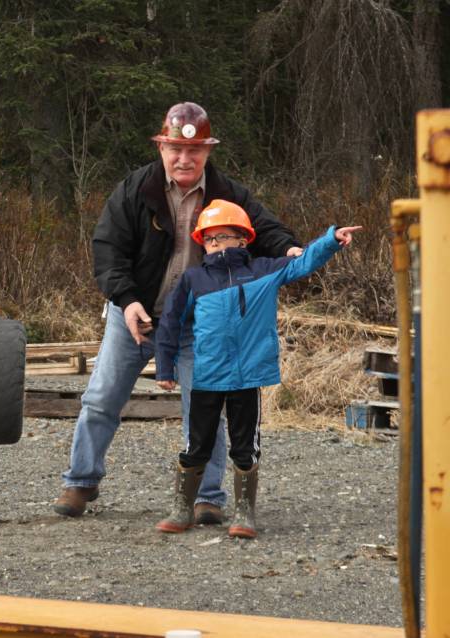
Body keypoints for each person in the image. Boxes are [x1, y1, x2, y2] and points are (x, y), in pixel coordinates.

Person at [53, 102, 304, 522]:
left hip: (198, 325)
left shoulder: (229, 194)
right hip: (134, 314)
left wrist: (290, 249)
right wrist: (127, 300)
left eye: (194, 151)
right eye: (175, 150)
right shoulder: (135, 190)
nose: (184, 159)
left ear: (207, 151)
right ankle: (79, 482)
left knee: (205, 407)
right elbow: (108, 251)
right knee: (100, 400)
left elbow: (267, 230)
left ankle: (209, 497)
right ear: (162, 147)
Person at [153, 200, 362, 538]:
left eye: (224, 236)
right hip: (207, 376)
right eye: (210, 238)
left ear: (244, 239)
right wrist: (165, 367)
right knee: (196, 445)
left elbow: (304, 262)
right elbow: (171, 323)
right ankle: (182, 509)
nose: (217, 244)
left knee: (244, 447)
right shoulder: (194, 279)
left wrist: (331, 240)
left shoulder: (264, 270)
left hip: (247, 378)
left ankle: (244, 513)